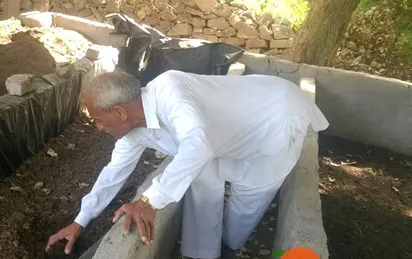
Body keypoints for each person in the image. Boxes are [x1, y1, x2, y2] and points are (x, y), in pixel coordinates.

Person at [45, 69, 329, 259]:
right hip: (225, 133)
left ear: (119, 112)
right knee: (200, 179)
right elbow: (113, 173)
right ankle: (203, 252)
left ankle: (230, 247)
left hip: (273, 120)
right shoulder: (134, 130)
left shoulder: (170, 90)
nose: (98, 128)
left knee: (245, 206)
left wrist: (149, 201)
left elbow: (198, 143)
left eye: (97, 120)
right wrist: (80, 222)